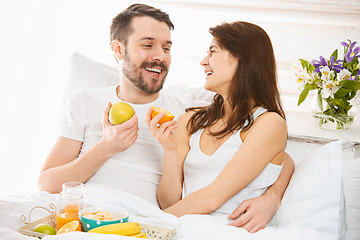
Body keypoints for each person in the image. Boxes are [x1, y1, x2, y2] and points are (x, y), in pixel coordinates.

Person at [38, 4, 294, 232]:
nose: (160, 55)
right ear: (118, 49)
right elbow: (46, 184)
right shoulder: (86, 102)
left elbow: (280, 156)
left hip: (143, 222)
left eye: (167, 47)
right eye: (147, 44)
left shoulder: (182, 111)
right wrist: (107, 148)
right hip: (85, 217)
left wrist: (273, 196)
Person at [146, 21, 289, 232]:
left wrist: (143, 224)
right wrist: (170, 151)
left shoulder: (269, 123)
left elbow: (212, 198)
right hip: (181, 225)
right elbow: (169, 203)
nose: (204, 62)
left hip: (228, 230)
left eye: (213, 52)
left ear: (242, 59)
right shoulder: (191, 121)